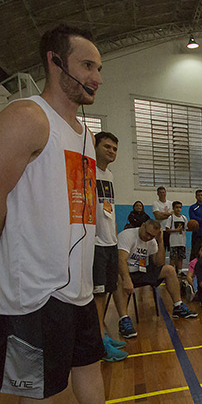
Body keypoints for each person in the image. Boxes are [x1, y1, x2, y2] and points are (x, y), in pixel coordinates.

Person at [0, 24, 155, 404]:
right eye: (87, 66)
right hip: (31, 287)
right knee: (38, 385)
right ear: (55, 62)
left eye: (99, 68)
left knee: (87, 362)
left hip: (72, 285)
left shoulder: (83, 133)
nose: (97, 77)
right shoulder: (27, 117)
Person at [116, 219, 197, 337]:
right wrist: (126, 279)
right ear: (143, 225)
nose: (148, 237)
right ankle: (124, 319)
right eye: (147, 234)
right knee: (118, 277)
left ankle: (178, 306)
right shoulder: (127, 235)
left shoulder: (152, 241)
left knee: (169, 269)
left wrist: (160, 241)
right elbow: (120, 260)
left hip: (141, 271)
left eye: (152, 236)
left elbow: (159, 264)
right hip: (125, 271)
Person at [90, 131, 127, 361]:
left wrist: (113, 236)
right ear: (94, 146)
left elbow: (109, 209)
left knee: (106, 292)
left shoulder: (109, 175)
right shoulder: (87, 171)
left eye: (114, 148)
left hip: (110, 241)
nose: (112, 151)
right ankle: (99, 342)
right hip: (94, 243)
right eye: (107, 147)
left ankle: (102, 334)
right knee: (97, 294)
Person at [164, 201, 187, 273]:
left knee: (180, 258)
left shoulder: (184, 218)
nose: (178, 209)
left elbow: (186, 228)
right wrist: (175, 230)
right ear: (173, 208)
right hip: (174, 242)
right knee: (173, 258)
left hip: (182, 241)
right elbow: (167, 229)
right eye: (176, 207)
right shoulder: (171, 218)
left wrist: (194, 227)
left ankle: (179, 272)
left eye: (180, 207)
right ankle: (171, 272)